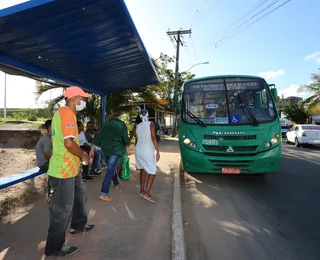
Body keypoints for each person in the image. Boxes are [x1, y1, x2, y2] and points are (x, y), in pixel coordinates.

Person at [44, 86, 94, 258]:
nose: (84, 102)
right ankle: (54, 247)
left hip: (71, 168)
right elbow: (69, 144)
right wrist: (84, 156)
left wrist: (78, 161)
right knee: (61, 210)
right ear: (74, 99)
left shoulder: (68, 114)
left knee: (79, 197)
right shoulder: (66, 114)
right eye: (82, 98)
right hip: (62, 172)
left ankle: (79, 225)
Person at [90, 109, 129, 202]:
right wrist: (126, 145)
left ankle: (116, 184)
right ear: (119, 115)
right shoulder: (122, 124)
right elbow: (125, 139)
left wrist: (92, 149)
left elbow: (99, 137)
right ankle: (104, 194)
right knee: (109, 170)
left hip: (105, 150)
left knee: (111, 168)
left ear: (111, 115)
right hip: (115, 150)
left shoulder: (106, 124)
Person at [134, 109, 160, 203]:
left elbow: (137, 139)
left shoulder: (138, 126)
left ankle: (141, 190)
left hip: (138, 149)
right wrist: (157, 151)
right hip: (147, 150)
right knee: (152, 172)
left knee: (143, 170)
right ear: (148, 115)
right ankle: (147, 192)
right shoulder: (151, 124)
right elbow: (153, 137)